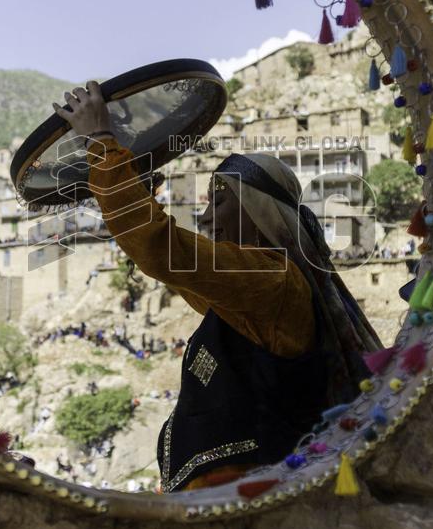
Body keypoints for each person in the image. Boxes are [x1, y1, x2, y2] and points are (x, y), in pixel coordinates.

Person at [53, 81, 381, 493]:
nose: (207, 217)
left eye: (218, 200)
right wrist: (128, 175)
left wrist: (101, 140)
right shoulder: (252, 288)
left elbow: (161, 248)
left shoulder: (273, 281)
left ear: (261, 211)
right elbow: (171, 263)